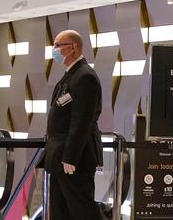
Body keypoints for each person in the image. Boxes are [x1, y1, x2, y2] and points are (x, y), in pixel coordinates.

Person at [45, 30, 103, 219]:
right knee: (60, 210)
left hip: (74, 158)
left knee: (81, 209)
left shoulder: (85, 77)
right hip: (59, 156)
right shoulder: (70, 76)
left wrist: (70, 157)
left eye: (58, 45)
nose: (54, 50)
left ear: (73, 48)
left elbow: (81, 121)